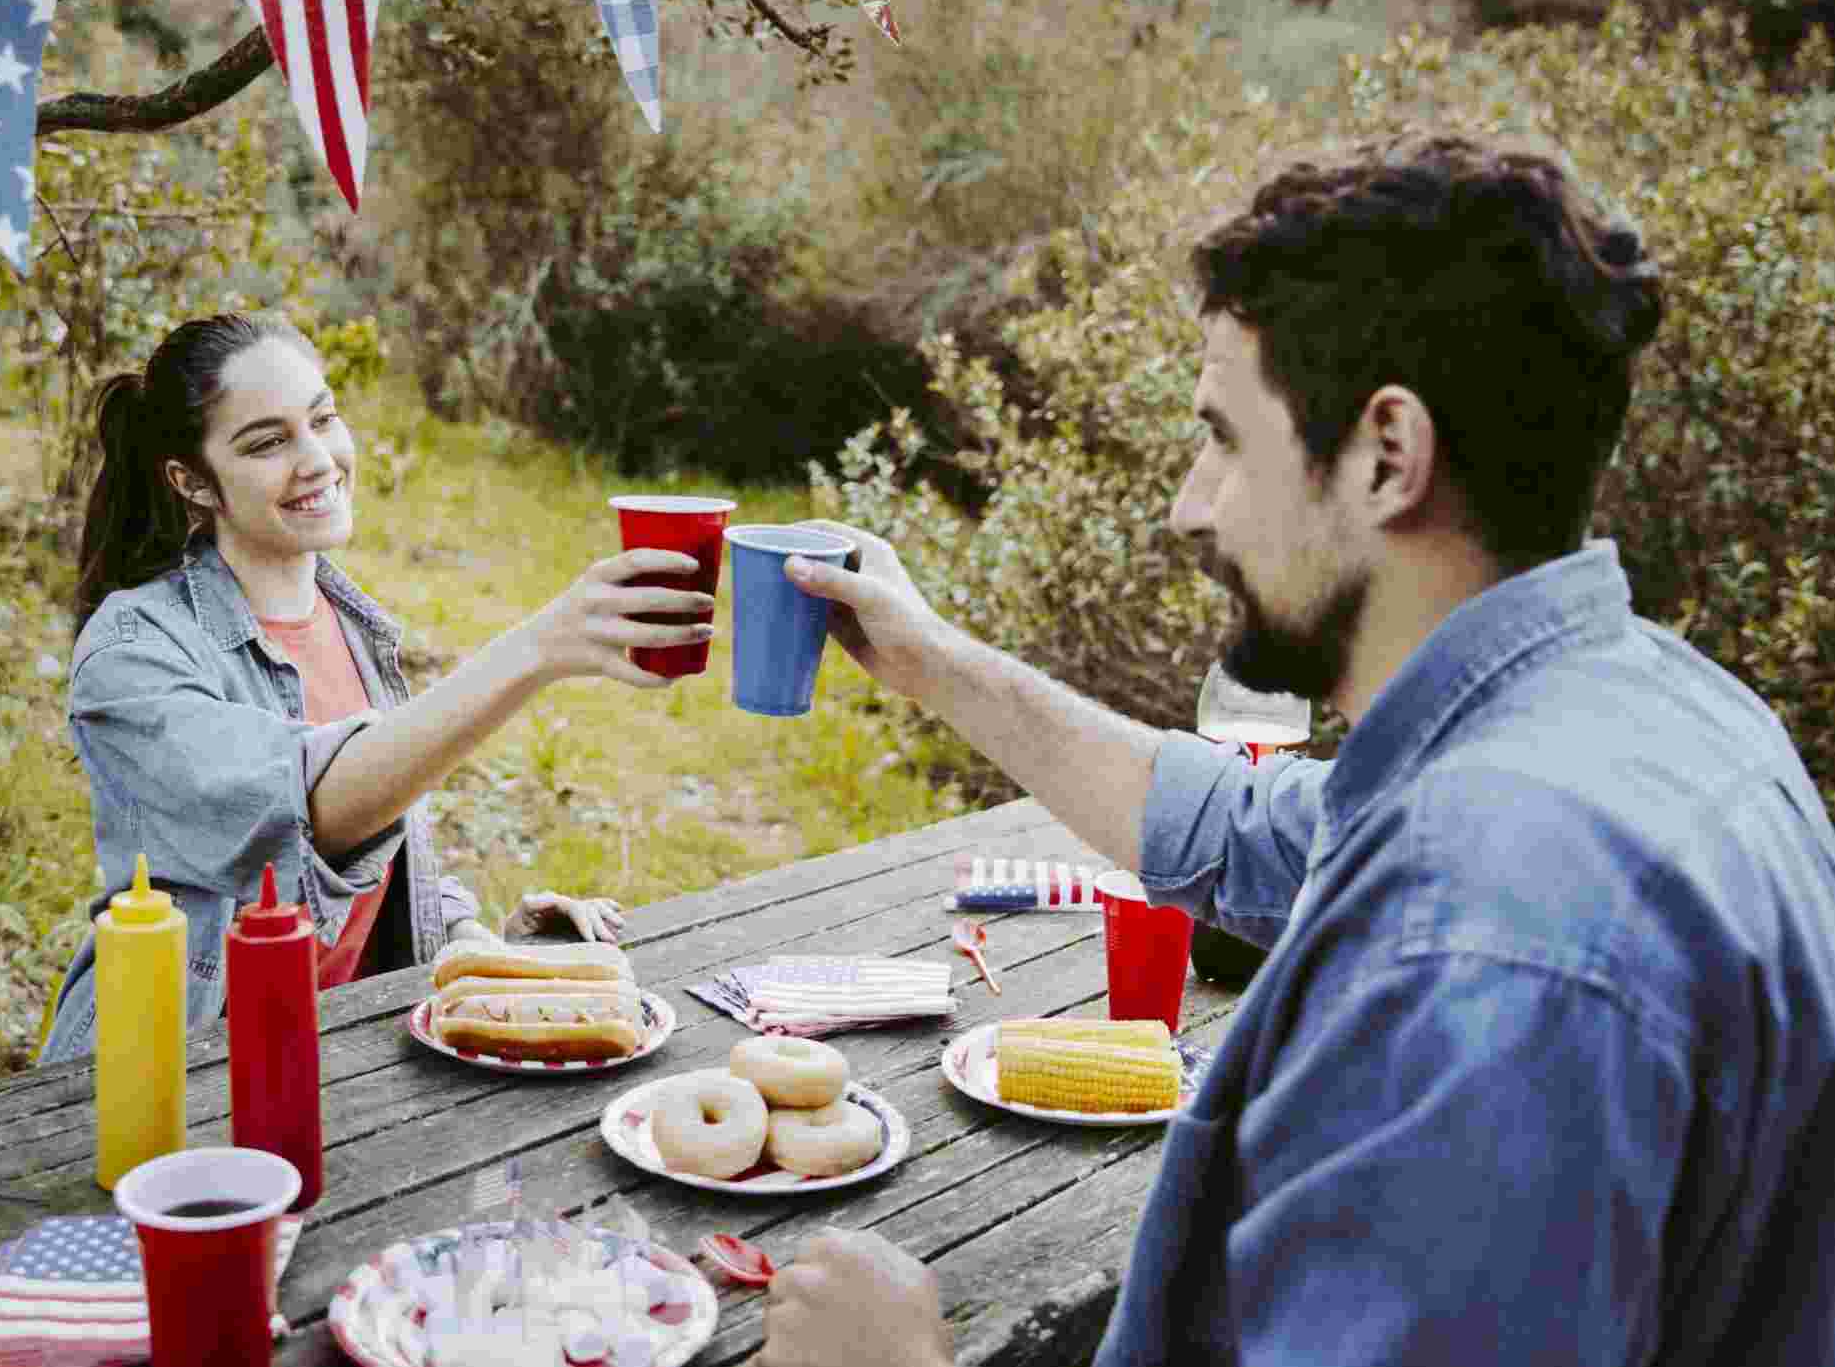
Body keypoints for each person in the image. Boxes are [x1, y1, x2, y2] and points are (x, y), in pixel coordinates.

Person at [750, 136, 1835, 1366]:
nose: (1189, 502)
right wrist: (930, 657)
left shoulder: (1484, 942)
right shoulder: (1654, 718)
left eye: (1223, 436)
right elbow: (1230, 827)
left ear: (1386, 453)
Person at [37, 313, 717, 1063]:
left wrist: (478, 941)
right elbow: (308, 815)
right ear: (191, 479)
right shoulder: (132, 650)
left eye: (322, 418)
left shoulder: (351, 623)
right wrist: (534, 650)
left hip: (327, 1052)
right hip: (166, 1073)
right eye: (267, 442)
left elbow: (372, 850)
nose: (317, 459)